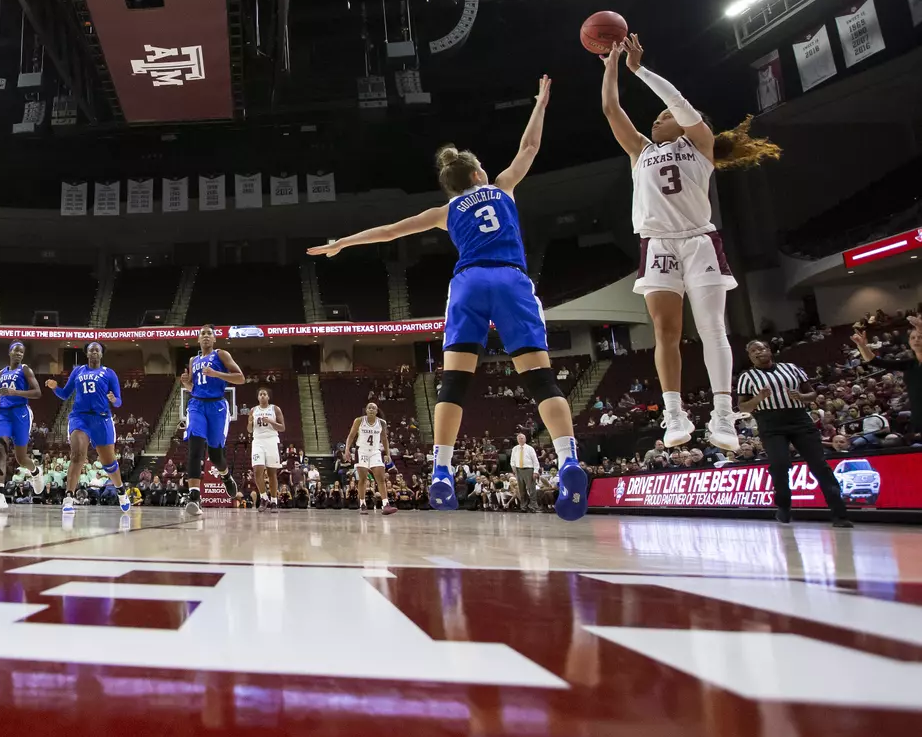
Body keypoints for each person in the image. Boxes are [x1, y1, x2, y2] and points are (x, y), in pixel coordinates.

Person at [310, 75, 589, 520]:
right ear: (478, 174)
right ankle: (569, 458)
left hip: (468, 283)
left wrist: (341, 242)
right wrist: (540, 103)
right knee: (539, 377)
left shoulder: (444, 211)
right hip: (512, 279)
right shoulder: (501, 187)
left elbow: (390, 231)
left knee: (454, 381)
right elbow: (530, 147)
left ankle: (440, 469)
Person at [600, 35, 780, 452]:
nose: (656, 120)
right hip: (658, 244)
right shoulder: (640, 152)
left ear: (686, 123)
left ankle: (722, 415)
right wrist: (610, 61)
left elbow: (679, 101)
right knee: (666, 331)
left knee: (713, 327)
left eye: (665, 116)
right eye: (657, 117)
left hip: (699, 241)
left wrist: (638, 70)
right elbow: (611, 108)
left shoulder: (700, 146)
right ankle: (674, 412)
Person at [735, 339, 852, 527]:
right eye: (753, 351)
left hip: (798, 418)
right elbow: (743, 406)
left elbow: (812, 394)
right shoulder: (747, 377)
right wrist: (758, 398)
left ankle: (840, 514)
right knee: (780, 464)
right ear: (750, 357)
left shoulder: (791, 368)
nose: (758, 352)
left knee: (819, 465)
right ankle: (783, 505)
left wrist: (802, 397)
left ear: (769, 350)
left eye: (761, 348)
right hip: (770, 422)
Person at [45, 342, 128, 515]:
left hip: (101, 418)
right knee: (77, 455)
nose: (94, 352)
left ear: (101, 354)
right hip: (80, 417)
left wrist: (113, 400)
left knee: (109, 463)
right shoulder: (77, 371)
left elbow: (119, 401)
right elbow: (65, 394)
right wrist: (55, 388)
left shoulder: (109, 373)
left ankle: (120, 490)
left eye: (97, 349)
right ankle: (68, 497)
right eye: (91, 349)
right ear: (87, 353)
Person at [178, 325, 246, 518]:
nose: (206, 336)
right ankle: (194, 496)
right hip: (197, 405)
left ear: (215, 339)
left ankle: (225, 476)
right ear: (198, 339)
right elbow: (192, 387)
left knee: (216, 456)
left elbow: (241, 378)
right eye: (203, 334)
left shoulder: (221, 355)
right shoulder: (194, 360)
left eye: (209, 334)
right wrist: (186, 382)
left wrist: (217, 374)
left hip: (217, 407)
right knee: (195, 448)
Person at [0, 340, 43, 513]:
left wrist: (15, 393)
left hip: (21, 413)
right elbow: (1, 392)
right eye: (16, 351)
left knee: (21, 458)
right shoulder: (2, 372)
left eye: (21, 352)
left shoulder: (25, 369)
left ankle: (35, 472)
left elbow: (37, 393)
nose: (19, 354)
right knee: (0, 450)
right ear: (9, 352)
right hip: (3, 413)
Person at [346, 400, 396, 516]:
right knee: (363, 479)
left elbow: (384, 439)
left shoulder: (382, 423)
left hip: (375, 451)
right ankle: (363, 504)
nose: (371, 409)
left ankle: (385, 504)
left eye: (374, 408)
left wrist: (387, 454)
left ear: (377, 411)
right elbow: (351, 435)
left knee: (381, 478)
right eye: (369, 408)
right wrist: (347, 449)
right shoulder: (359, 421)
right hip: (362, 450)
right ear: (366, 410)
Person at [248, 386, 285, 511]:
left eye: (264, 394)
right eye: (260, 394)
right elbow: (249, 430)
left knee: (271, 473)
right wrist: (249, 422)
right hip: (258, 441)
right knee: (257, 471)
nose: (262, 396)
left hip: (272, 440)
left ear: (268, 397)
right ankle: (264, 498)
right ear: (258, 397)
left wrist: (271, 422)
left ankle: (274, 501)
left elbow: (282, 428)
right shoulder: (253, 410)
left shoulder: (275, 409)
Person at [509, 433, 540, 512]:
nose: (520, 439)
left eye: (522, 438)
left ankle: (533, 506)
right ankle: (524, 507)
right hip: (518, 470)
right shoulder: (515, 448)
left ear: (525, 439)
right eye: (519, 438)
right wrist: (514, 468)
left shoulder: (530, 448)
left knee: (531, 489)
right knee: (521, 490)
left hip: (528, 469)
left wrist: (535, 471)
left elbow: (535, 461)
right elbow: (512, 460)